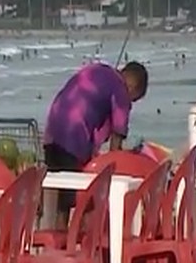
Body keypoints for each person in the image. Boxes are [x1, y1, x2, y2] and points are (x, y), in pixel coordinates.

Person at [42, 60, 149, 226]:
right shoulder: (121, 90)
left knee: (60, 192)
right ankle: (69, 244)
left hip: (52, 129)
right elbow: (117, 140)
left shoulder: (98, 70)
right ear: (133, 88)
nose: (130, 104)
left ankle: (58, 239)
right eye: (133, 100)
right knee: (76, 198)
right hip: (73, 133)